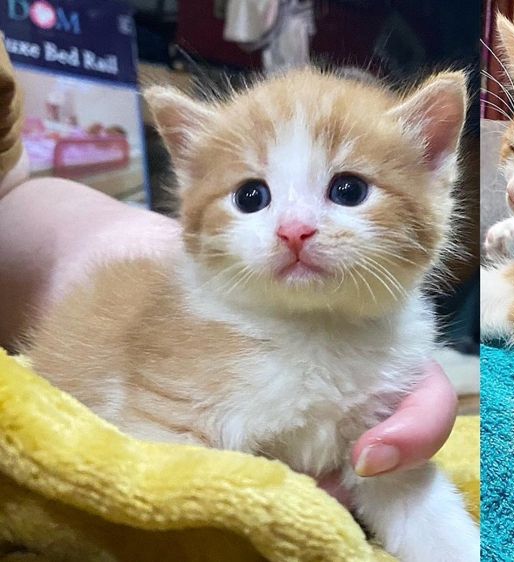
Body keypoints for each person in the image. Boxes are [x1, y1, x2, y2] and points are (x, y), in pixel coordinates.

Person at [0, 42, 457, 503]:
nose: (294, 228)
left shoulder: (402, 349)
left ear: (433, 161)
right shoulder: (195, 330)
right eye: (252, 197)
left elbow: (8, 190)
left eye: (347, 189)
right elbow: (156, 457)